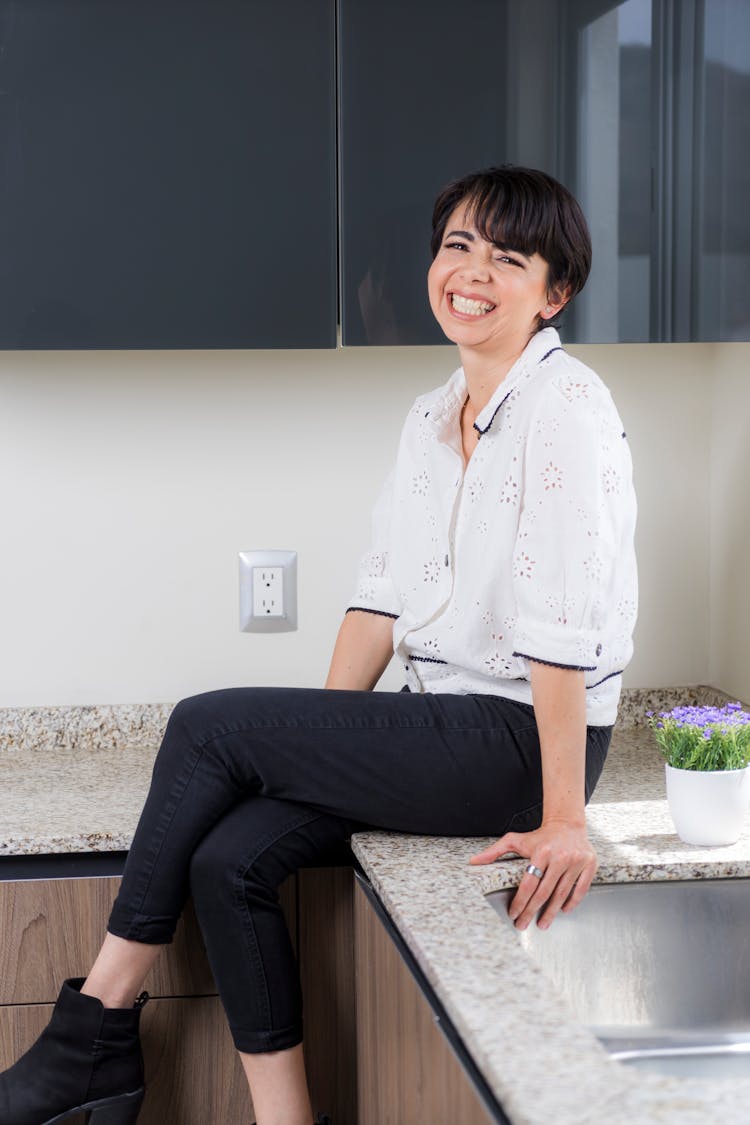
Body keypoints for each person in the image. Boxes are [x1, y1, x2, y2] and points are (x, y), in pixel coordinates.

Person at [0, 165, 637, 1125]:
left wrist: (563, 817)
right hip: (439, 732)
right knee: (229, 858)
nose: (470, 272)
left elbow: (560, 629)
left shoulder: (568, 411)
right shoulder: (431, 417)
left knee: (208, 727)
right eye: (457, 245)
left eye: (507, 258)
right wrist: (314, 747)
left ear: (554, 294)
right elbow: (379, 600)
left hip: (521, 744)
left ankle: (92, 1032)